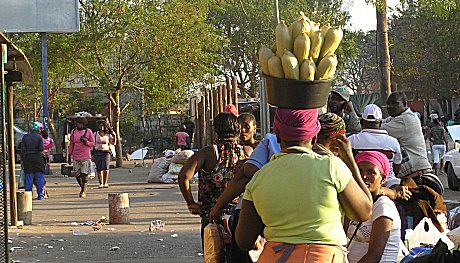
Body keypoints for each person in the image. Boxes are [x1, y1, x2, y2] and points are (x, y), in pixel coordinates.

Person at [235, 108, 372, 262]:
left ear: (278, 137)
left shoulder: (259, 177)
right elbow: (364, 212)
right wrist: (350, 162)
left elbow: (244, 240)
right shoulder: (331, 166)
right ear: (314, 138)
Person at [178, 112, 253, 259]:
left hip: (211, 214)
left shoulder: (208, 153)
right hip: (240, 214)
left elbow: (183, 176)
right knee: (239, 257)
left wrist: (191, 203)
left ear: (216, 130)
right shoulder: (247, 152)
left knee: (214, 255)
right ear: (237, 129)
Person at [381, 92, 445, 236]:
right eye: (388, 104)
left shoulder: (405, 120)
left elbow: (377, 128)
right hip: (412, 178)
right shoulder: (395, 119)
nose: (390, 107)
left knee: (419, 227)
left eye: (395, 103)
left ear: (405, 104)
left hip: (418, 178)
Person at [347, 151, 401, 263]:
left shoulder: (383, 206)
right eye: (359, 171)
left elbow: (374, 255)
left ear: (382, 178)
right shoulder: (357, 203)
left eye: (371, 172)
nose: (364, 176)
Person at [348, 104, 409, 199]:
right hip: (390, 184)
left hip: (360, 184)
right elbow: (396, 169)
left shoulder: (352, 140)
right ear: (380, 123)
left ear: (361, 122)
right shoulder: (393, 142)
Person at [68, 116, 95, 198]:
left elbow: (93, 143)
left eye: (78, 123)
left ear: (83, 124)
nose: (76, 125)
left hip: (85, 155)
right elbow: (71, 144)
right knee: (77, 174)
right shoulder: (73, 132)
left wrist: (86, 142)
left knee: (84, 173)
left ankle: (83, 190)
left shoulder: (88, 132)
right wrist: (69, 155)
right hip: (76, 155)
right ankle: (82, 186)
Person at [21, 122, 46, 200]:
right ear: (37, 129)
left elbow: (23, 150)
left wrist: (22, 160)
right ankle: (40, 195)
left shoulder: (25, 137)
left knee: (29, 177)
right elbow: (41, 148)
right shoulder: (39, 138)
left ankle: (28, 196)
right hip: (38, 159)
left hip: (28, 159)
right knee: (39, 177)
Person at [93, 121, 116, 188]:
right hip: (97, 152)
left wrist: (114, 135)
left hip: (106, 152)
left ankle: (105, 182)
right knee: (99, 168)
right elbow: (93, 144)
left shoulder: (108, 135)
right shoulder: (95, 134)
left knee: (106, 167)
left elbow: (113, 143)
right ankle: (101, 183)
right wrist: (92, 153)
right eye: (100, 126)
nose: (101, 127)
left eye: (103, 126)